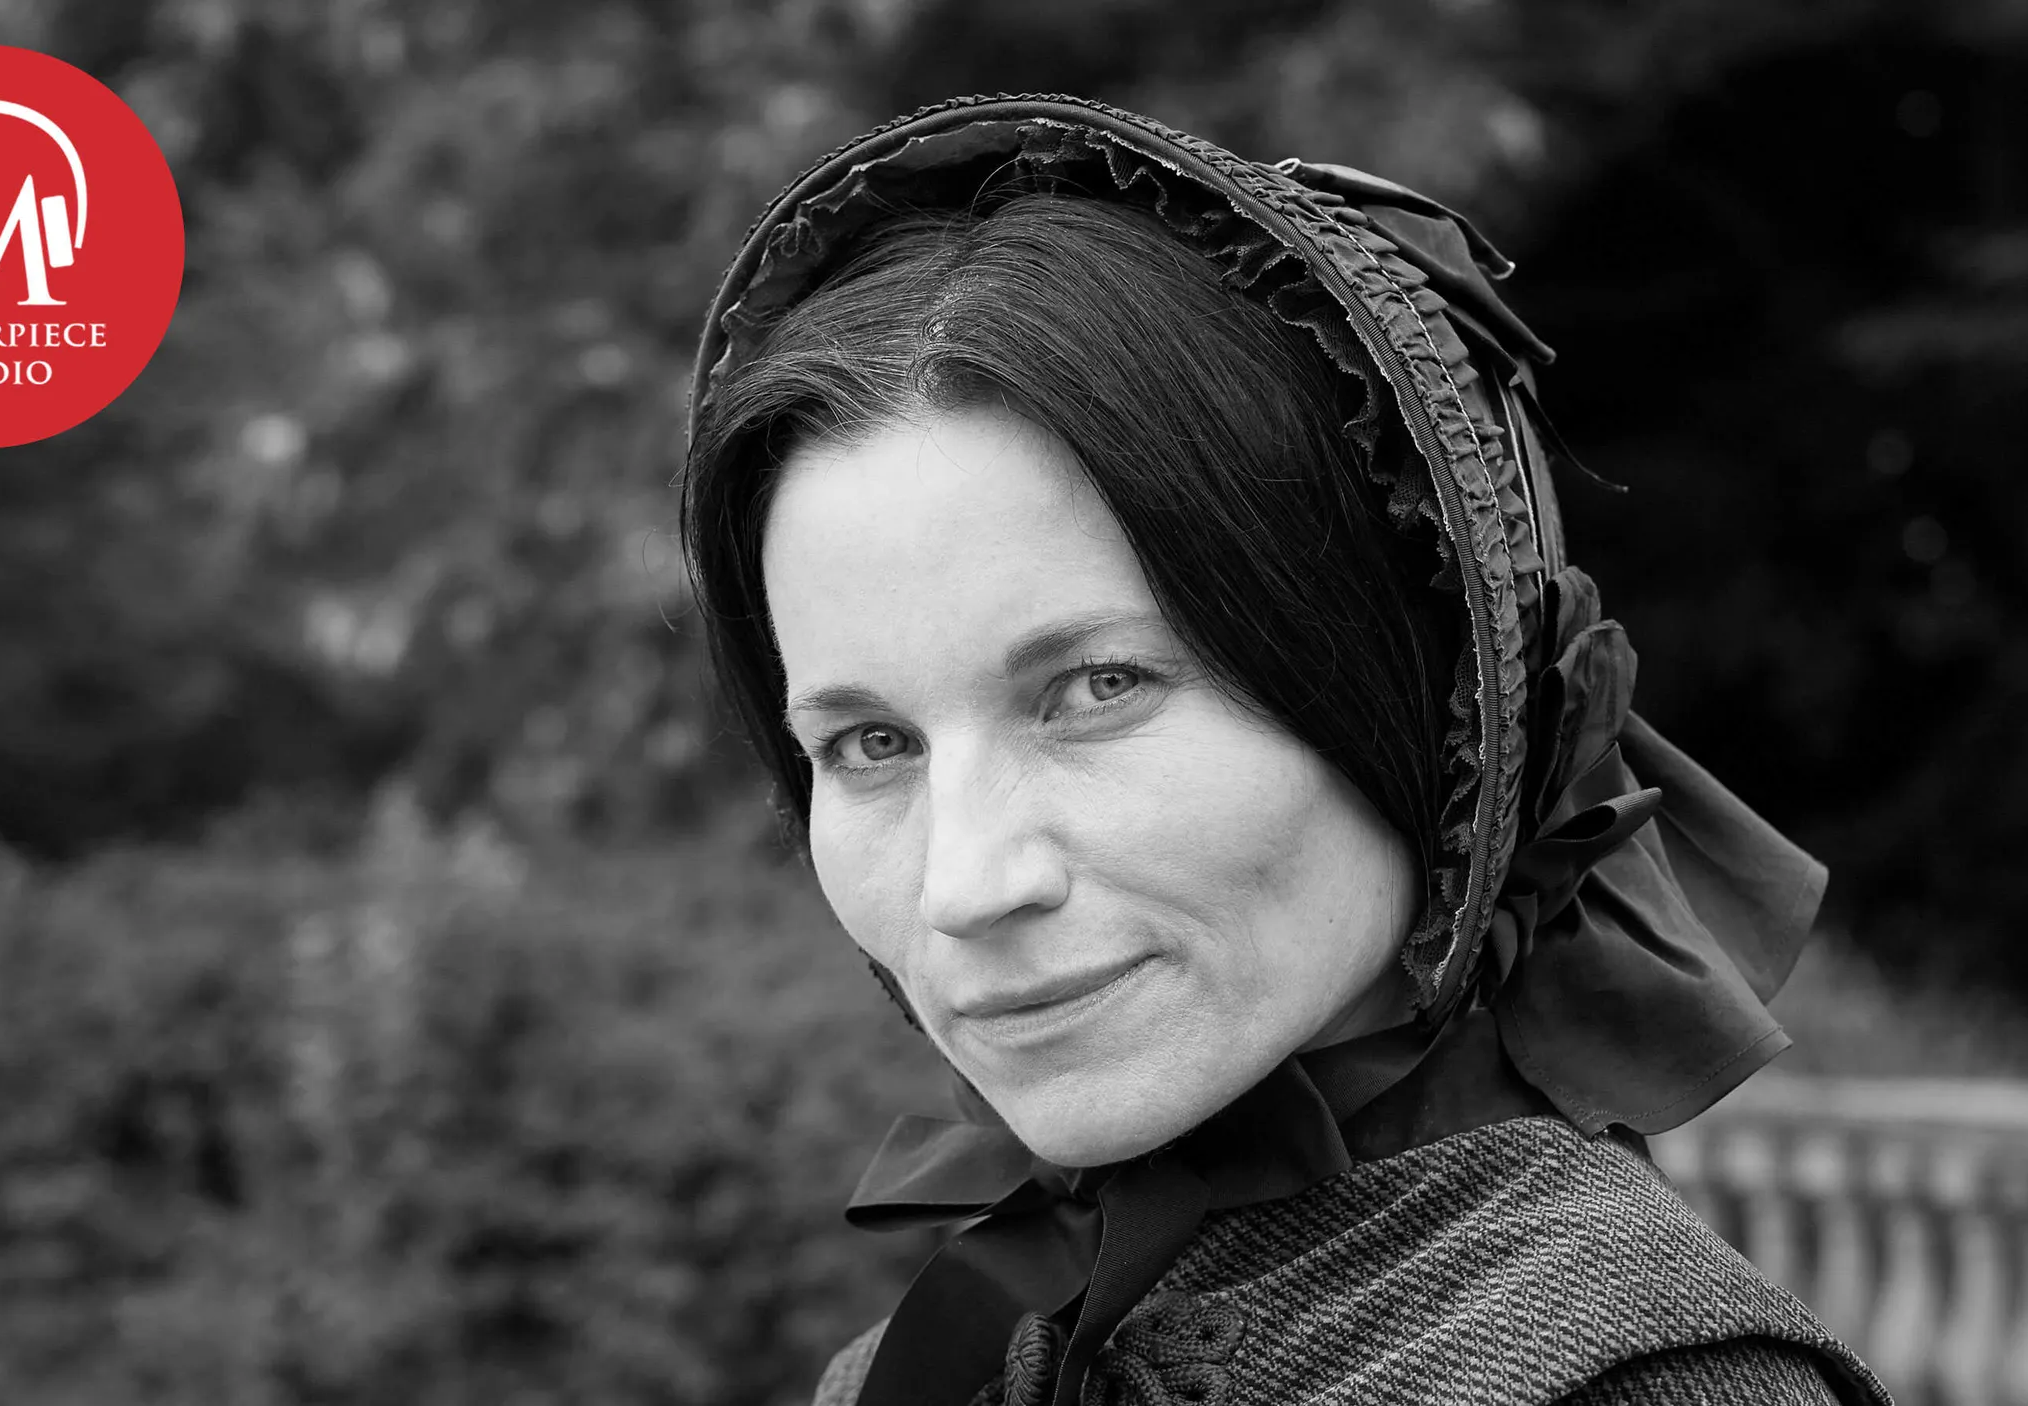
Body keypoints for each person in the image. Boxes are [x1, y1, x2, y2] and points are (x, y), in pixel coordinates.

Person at [679, 95, 1892, 1406]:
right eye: (868, 742)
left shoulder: (1642, 1386)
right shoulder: (925, 1367)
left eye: (1097, 687)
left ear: (1422, 701)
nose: (964, 884)